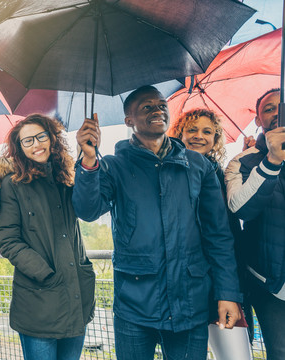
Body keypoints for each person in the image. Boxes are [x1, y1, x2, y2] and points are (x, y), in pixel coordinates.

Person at [72, 85, 243, 360]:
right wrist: (89, 159)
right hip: (134, 306)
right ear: (129, 121)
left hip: (190, 303)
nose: (157, 110)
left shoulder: (198, 166)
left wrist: (228, 293)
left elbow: (218, 236)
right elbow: (87, 209)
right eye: (147, 107)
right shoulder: (114, 166)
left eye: (161, 105)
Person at [0, 114, 95, 360]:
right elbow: (7, 239)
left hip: (75, 295)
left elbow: (90, 210)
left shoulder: (66, 178)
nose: (36, 144)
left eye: (41, 136)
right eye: (27, 141)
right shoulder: (12, 185)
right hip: (38, 299)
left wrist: (89, 158)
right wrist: (44, 271)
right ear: (19, 148)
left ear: (52, 138)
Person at [169, 109, 252, 360]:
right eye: (192, 130)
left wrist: (250, 157)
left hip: (223, 276)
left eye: (208, 131)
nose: (199, 136)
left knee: (235, 353)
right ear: (179, 134)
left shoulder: (221, 172)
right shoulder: (170, 172)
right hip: (190, 278)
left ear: (216, 140)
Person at [225, 88, 285, 360]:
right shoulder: (243, 161)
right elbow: (241, 208)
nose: (276, 112)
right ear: (259, 120)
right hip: (270, 280)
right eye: (268, 109)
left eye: (280, 106)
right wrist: (271, 161)